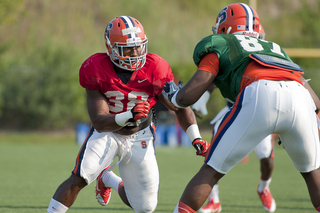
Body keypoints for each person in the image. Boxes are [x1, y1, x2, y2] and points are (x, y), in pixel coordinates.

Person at [162, 3, 320, 213]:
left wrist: (175, 97)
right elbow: (315, 103)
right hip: (300, 99)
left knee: (211, 170)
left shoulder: (221, 43)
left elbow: (188, 96)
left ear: (225, 28)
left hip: (259, 94)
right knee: (312, 174)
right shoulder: (275, 48)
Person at [47, 16, 209, 213]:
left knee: (145, 207)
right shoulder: (95, 68)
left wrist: (196, 138)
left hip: (141, 135)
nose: (135, 53)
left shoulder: (155, 67)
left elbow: (179, 105)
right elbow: (99, 121)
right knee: (79, 178)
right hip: (108, 133)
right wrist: (129, 114)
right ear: (111, 48)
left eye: (138, 46)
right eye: (128, 49)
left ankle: (107, 178)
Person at [193, 25, 276, 213]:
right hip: (234, 110)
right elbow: (214, 75)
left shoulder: (263, 57)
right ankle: (214, 200)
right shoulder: (229, 54)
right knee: (212, 154)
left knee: (266, 159)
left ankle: (264, 187)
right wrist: (203, 98)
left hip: (260, 112)